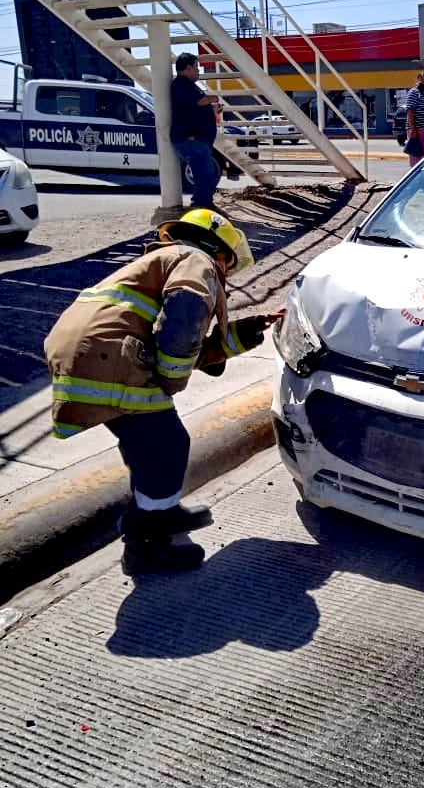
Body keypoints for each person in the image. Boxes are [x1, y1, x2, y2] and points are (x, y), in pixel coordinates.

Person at [43, 209, 284, 576]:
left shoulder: (159, 263)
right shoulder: (197, 259)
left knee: (149, 446)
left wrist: (250, 329)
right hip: (110, 356)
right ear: (220, 252)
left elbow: (184, 342)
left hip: (89, 353)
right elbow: (183, 322)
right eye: (227, 263)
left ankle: (158, 510)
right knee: (166, 445)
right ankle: (147, 546)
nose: (225, 271)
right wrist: (171, 380)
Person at [170, 52, 223, 208]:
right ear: (188, 68)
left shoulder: (187, 86)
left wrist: (211, 110)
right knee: (203, 174)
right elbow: (199, 101)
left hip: (197, 139)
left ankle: (205, 203)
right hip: (192, 139)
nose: (198, 70)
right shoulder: (181, 84)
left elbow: (194, 107)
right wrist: (213, 99)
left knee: (207, 173)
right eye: (196, 67)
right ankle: (200, 205)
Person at [405, 70, 424, 166]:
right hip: (418, 131)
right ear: (418, 80)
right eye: (423, 80)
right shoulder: (414, 92)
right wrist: (413, 130)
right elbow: (410, 110)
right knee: (418, 160)